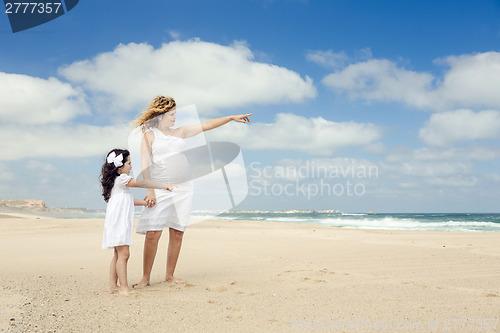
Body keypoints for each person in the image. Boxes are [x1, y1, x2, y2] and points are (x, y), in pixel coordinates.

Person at [132, 96, 251, 287]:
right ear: (161, 115)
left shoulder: (180, 132)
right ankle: (145, 278)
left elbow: (206, 125)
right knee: (153, 233)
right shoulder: (150, 136)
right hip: (160, 188)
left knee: (177, 232)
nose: (174, 118)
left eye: (176, 114)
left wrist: (230, 118)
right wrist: (150, 191)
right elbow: (144, 165)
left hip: (184, 188)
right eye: (171, 114)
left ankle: (170, 276)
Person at [100, 148, 175, 295]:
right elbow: (142, 182)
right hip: (119, 223)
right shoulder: (122, 179)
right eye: (129, 163)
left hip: (115, 222)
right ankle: (124, 288)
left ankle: (112, 285)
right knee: (124, 254)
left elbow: (126, 200)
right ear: (120, 167)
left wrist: (144, 202)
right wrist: (164, 186)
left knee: (118, 254)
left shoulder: (116, 183)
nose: (131, 166)